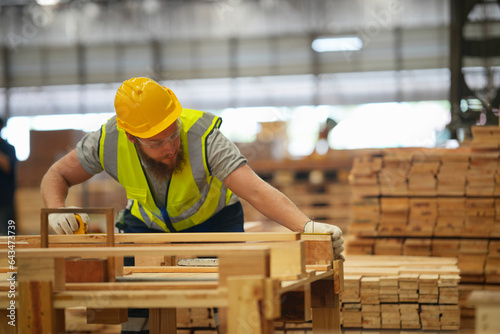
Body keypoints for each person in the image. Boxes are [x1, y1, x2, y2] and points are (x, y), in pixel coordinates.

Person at [40, 77, 345, 333]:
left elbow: (255, 190)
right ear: (132, 137)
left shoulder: (204, 137)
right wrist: (57, 209)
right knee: (132, 302)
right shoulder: (107, 141)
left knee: (231, 300)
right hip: (146, 226)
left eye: (172, 134)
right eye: (156, 142)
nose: (170, 147)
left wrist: (307, 226)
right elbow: (58, 174)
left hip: (215, 222)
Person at [0, 117, 17, 236]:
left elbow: (8, 166)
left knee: (6, 230)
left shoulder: (9, 148)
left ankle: (10, 254)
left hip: (4, 196)